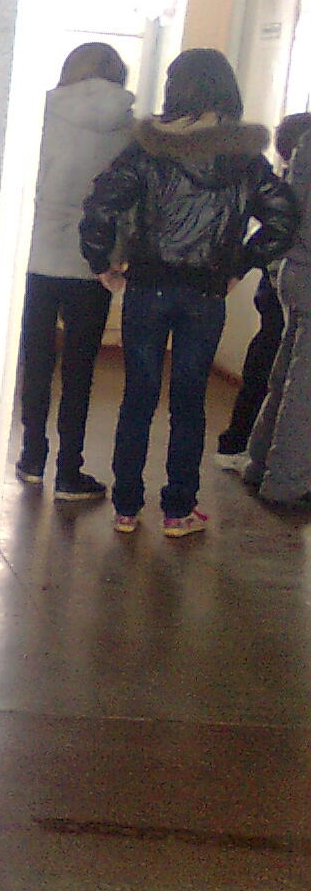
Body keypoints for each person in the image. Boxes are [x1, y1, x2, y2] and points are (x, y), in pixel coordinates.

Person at [80, 47, 298, 537]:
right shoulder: (244, 158)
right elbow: (283, 218)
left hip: (147, 288)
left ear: (175, 88)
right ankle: (178, 511)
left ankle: (126, 507)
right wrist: (239, 265)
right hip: (205, 294)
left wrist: (101, 264)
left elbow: (101, 205)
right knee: (190, 401)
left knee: (137, 397)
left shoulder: (147, 148)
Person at [15, 42, 135, 499]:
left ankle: (31, 457)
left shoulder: (42, 115)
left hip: (37, 257)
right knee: (81, 370)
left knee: (36, 362)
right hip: (94, 263)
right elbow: (129, 202)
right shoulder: (130, 128)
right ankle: (69, 472)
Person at [215, 111, 311, 466]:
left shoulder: (287, 182)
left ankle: (240, 442)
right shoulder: (290, 187)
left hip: (275, 286)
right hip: (286, 283)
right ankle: (250, 447)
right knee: (275, 371)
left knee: (266, 364)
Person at [243, 124, 311, 505]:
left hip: (295, 269)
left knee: (286, 377)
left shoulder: (307, 141)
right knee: (303, 391)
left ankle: (259, 463)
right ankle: (287, 482)